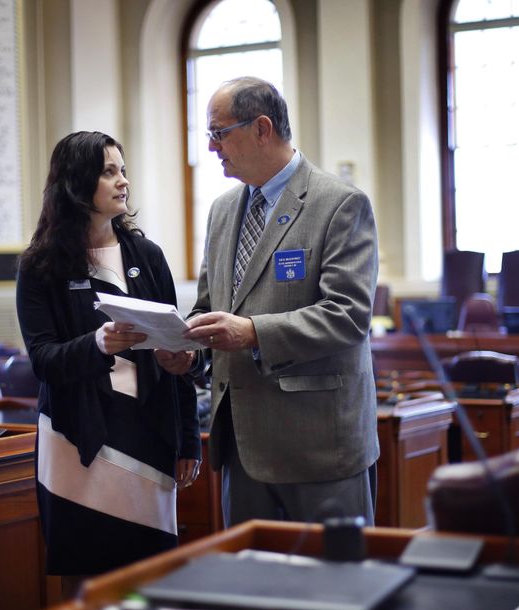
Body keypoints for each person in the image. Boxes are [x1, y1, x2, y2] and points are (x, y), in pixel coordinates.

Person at [158, 77, 379, 528]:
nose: (211, 146)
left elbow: (348, 315)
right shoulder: (222, 211)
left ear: (262, 128)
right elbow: (207, 306)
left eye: (219, 132)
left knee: (335, 592)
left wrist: (254, 332)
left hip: (318, 447)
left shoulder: (339, 204)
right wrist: (190, 352)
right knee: (249, 589)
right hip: (240, 447)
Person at [16, 132, 201, 593]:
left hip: (148, 429)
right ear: (77, 184)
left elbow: (175, 349)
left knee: (152, 572)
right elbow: (43, 361)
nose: (124, 182)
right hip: (76, 437)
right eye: (109, 171)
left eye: (123, 170)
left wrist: (189, 442)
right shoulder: (40, 265)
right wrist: (97, 344)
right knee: (86, 573)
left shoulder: (148, 256)